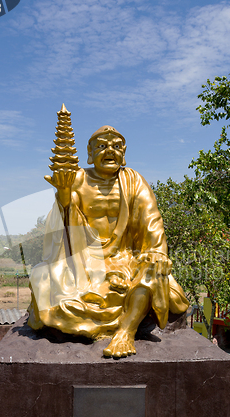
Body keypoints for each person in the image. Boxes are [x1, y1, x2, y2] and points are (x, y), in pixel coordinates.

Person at [28, 119, 189, 358]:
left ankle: (126, 331)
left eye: (116, 146)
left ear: (124, 153)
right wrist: (63, 196)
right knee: (45, 279)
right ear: (90, 154)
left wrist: (157, 252)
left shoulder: (134, 181)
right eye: (102, 146)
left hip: (126, 259)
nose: (110, 151)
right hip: (84, 261)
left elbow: (152, 222)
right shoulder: (79, 179)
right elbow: (65, 228)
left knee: (151, 272)